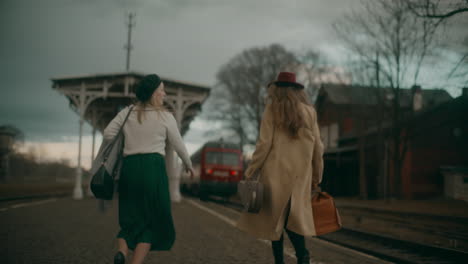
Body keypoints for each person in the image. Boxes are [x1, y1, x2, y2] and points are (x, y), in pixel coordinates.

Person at [103, 74, 195, 264]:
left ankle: (121, 252)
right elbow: (178, 144)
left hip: (130, 169)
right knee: (151, 222)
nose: (165, 93)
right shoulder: (165, 116)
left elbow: (108, 133)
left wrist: (127, 141)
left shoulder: (127, 112)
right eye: (161, 89)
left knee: (129, 218)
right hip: (153, 169)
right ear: (154, 93)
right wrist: (188, 163)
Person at [236, 72, 324, 264]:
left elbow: (264, 144)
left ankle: (283, 261)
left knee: (274, 221)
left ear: (278, 89)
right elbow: (318, 147)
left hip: (275, 174)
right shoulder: (310, 112)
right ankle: (303, 256)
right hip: (300, 177)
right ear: (296, 90)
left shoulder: (272, 109)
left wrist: (252, 171)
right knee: (292, 220)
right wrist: (317, 176)